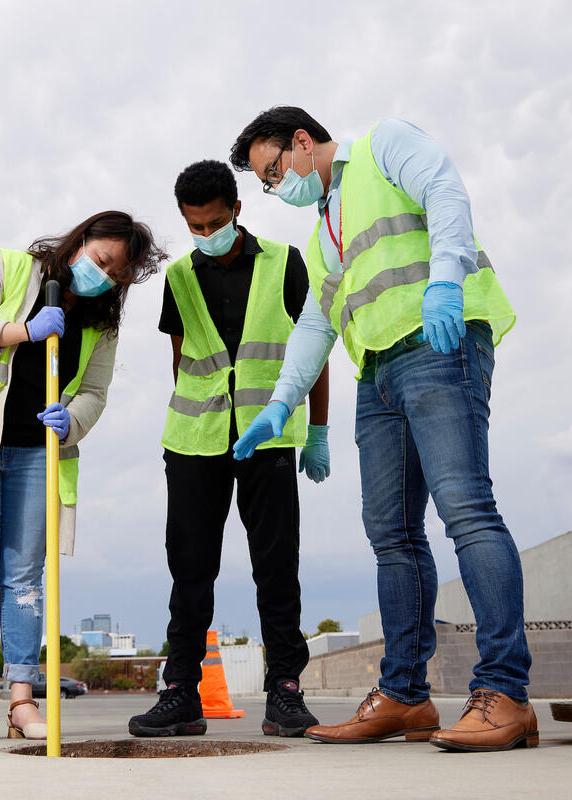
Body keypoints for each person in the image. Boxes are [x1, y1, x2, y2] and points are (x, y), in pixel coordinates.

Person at [228, 108, 536, 752]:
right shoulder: (323, 235)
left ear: (303, 143)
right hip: (378, 371)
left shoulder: (382, 145)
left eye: (273, 170)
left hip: (438, 342)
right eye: (264, 181)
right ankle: (404, 695)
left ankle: (505, 693)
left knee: (467, 511)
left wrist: (446, 281)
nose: (274, 186)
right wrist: (282, 405)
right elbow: (315, 324)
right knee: (390, 533)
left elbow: (445, 190)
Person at [0, 211, 166, 743]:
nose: (106, 276)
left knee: (24, 580)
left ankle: (22, 701)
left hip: (36, 455)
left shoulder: (100, 323)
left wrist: (71, 421)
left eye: (118, 275)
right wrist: (21, 330)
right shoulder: (8, 269)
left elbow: (94, 393)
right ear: (80, 241)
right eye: (101, 261)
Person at [128, 160, 329, 739]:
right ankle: (181, 692)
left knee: (276, 566)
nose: (204, 235)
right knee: (189, 569)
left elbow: (310, 352)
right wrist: (196, 427)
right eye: (194, 226)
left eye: (214, 222)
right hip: (194, 442)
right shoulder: (180, 277)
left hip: (265, 439)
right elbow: (180, 358)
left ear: (237, 210)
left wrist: (317, 431)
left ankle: (285, 691)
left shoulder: (284, 262)